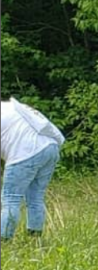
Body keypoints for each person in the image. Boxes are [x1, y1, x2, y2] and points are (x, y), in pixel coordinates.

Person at [1, 98, 65, 242]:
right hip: (50, 147)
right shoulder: (10, 107)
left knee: (11, 198)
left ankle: (4, 241)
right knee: (35, 196)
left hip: (26, 151)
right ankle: (34, 238)